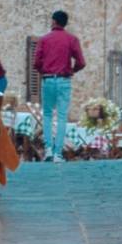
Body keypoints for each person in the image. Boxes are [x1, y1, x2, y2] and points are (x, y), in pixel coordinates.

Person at [33, 9, 86, 162]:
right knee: (62, 117)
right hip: (64, 80)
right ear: (65, 23)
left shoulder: (44, 39)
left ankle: (48, 149)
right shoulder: (72, 39)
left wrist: (45, 71)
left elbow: (36, 62)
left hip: (48, 80)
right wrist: (71, 70)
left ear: (54, 21)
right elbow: (81, 62)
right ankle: (58, 154)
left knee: (48, 115)